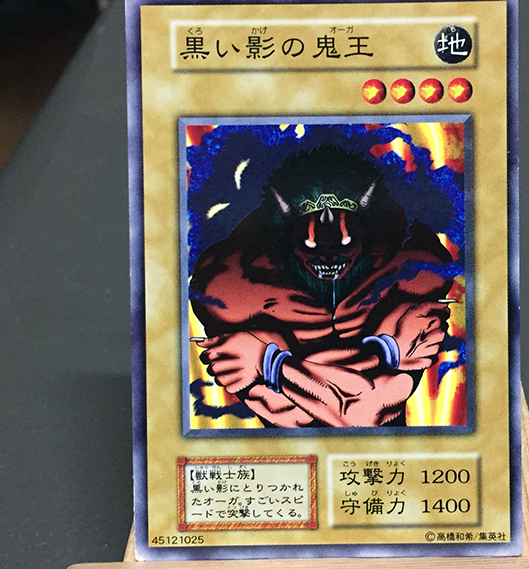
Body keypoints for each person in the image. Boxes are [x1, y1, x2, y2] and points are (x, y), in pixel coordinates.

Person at [190, 144, 454, 428]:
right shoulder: (233, 285)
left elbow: (363, 415)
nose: (328, 258)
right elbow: (344, 412)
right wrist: (380, 357)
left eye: (344, 243)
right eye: (312, 245)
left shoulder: (409, 272)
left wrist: (270, 363)